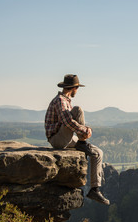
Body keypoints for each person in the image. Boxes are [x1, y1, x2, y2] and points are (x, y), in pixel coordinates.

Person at [45, 74, 109, 205]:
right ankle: (82, 143)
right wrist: (85, 130)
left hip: (66, 137)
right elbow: (67, 122)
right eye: (77, 88)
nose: (77, 91)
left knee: (98, 153)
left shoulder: (66, 101)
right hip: (57, 139)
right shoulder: (60, 101)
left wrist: (85, 129)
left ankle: (94, 189)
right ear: (73, 88)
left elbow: (70, 124)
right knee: (78, 110)